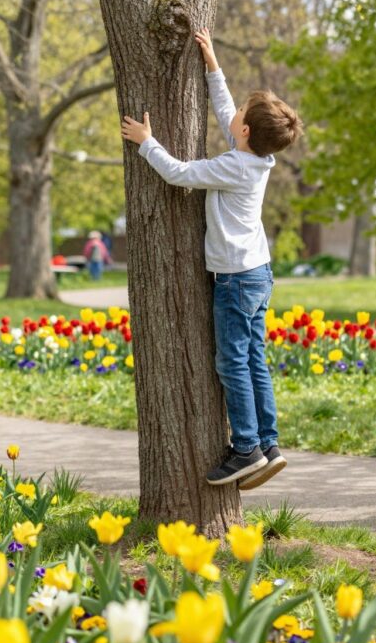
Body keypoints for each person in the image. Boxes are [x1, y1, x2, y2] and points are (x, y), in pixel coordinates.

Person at [120, 28, 303, 489]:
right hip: (257, 273)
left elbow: (180, 173)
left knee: (232, 363)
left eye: (241, 111)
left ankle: (246, 449)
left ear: (244, 132)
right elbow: (227, 112)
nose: (234, 110)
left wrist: (146, 141)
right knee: (254, 359)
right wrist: (212, 64)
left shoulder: (233, 166)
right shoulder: (255, 157)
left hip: (237, 279)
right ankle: (269, 442)